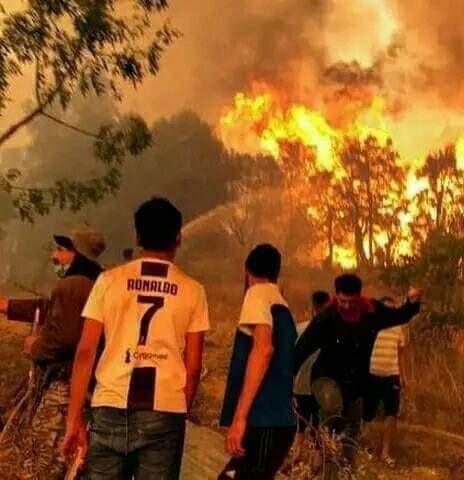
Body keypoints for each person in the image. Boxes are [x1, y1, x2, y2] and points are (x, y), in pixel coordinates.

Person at [61, 197, 210, 480]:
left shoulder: (108, 281)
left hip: (109, 404)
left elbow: (85, 352)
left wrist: (74, 419)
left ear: (137, 236)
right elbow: (193, 366)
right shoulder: (193, 291)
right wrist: (178, 412)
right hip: (164, 410)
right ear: (178, 237)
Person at [0, 228, 105, 479]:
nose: (54, 256)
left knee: (44, 461)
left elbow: (64, 338)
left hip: (63, 387)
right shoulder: (98, 284)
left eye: (61, 250)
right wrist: (9, 306)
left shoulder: (72, 286)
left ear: (77, 254)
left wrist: (35, 346)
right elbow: (51, 309)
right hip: (90, 389)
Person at [294, 274, 421, 473]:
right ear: (336, 296)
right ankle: (326, 447)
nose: (346, 306)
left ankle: (347, 469)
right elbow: (302, 348)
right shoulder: (326, 317)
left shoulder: (372, 311)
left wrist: (412, 303)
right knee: (332, 413)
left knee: (352, 428)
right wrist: (287, 378)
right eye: (342, 301)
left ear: (359, 297)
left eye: (351, 302)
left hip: (355, 382)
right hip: (325, 379)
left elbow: (399, 316)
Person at [218, 244, 297, 480]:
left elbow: (263, 350)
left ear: (247, 271)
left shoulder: (257, 293)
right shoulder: (280, 303)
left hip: (263, 420)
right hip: (277, 422)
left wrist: (239, 418)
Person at [363, 296, 407, 466]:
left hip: (392, 375)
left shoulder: (399, 328)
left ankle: (385, 453)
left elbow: (401, 354)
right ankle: (365, 447)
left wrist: (403, 376)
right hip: (371, 374)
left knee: (391, 414)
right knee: (367, 414)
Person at [293, 291, 331, 457]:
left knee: (300, 425)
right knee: (317, 425)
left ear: (313, 307)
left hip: (300, 385)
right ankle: (317, 462)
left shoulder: (299, 328)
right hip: (320, 387)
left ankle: (296, 456)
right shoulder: (332, 331)